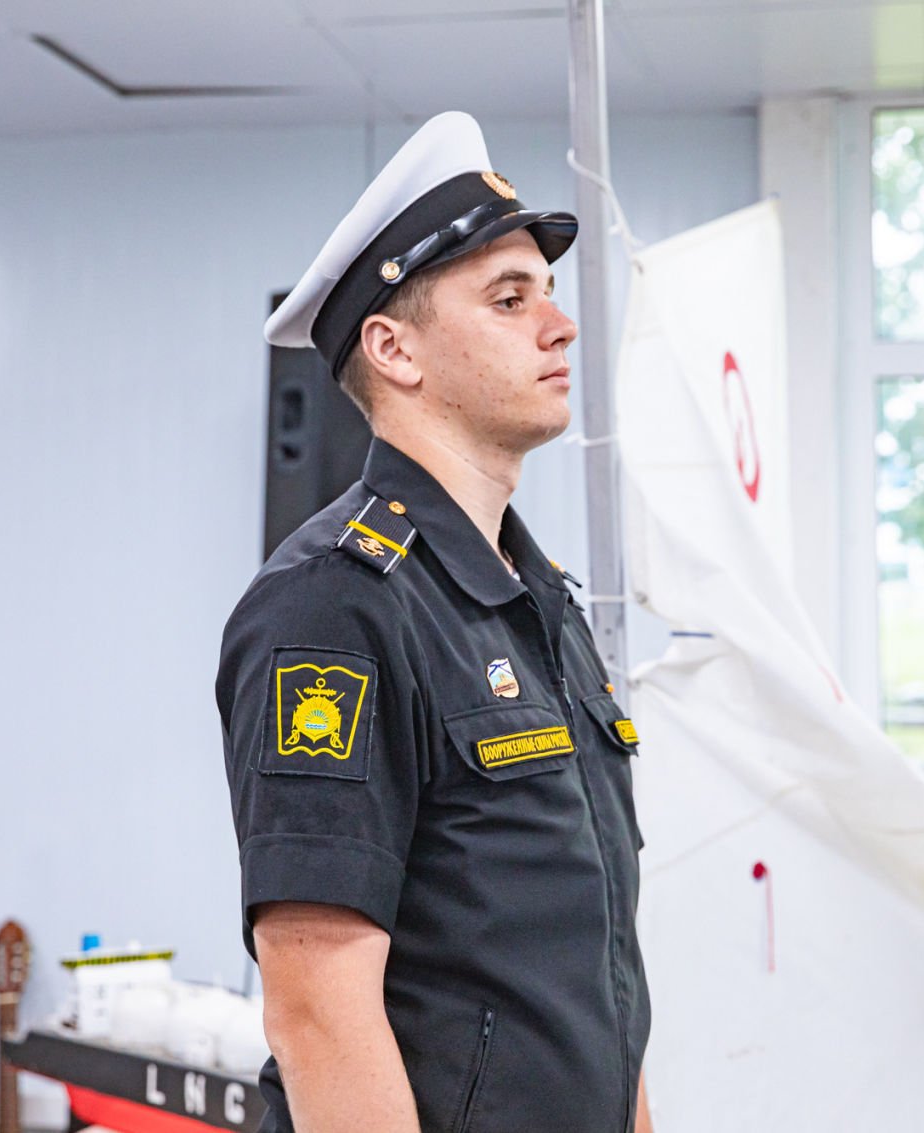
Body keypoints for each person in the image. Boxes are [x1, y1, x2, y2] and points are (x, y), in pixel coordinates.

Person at [216, 111, 651, 1133]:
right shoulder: (334, 603)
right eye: (509, 298)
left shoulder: (540, 604)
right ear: (394, 349)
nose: (559, 326)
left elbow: (596, 978)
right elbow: (317, 1011)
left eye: (547, 294)